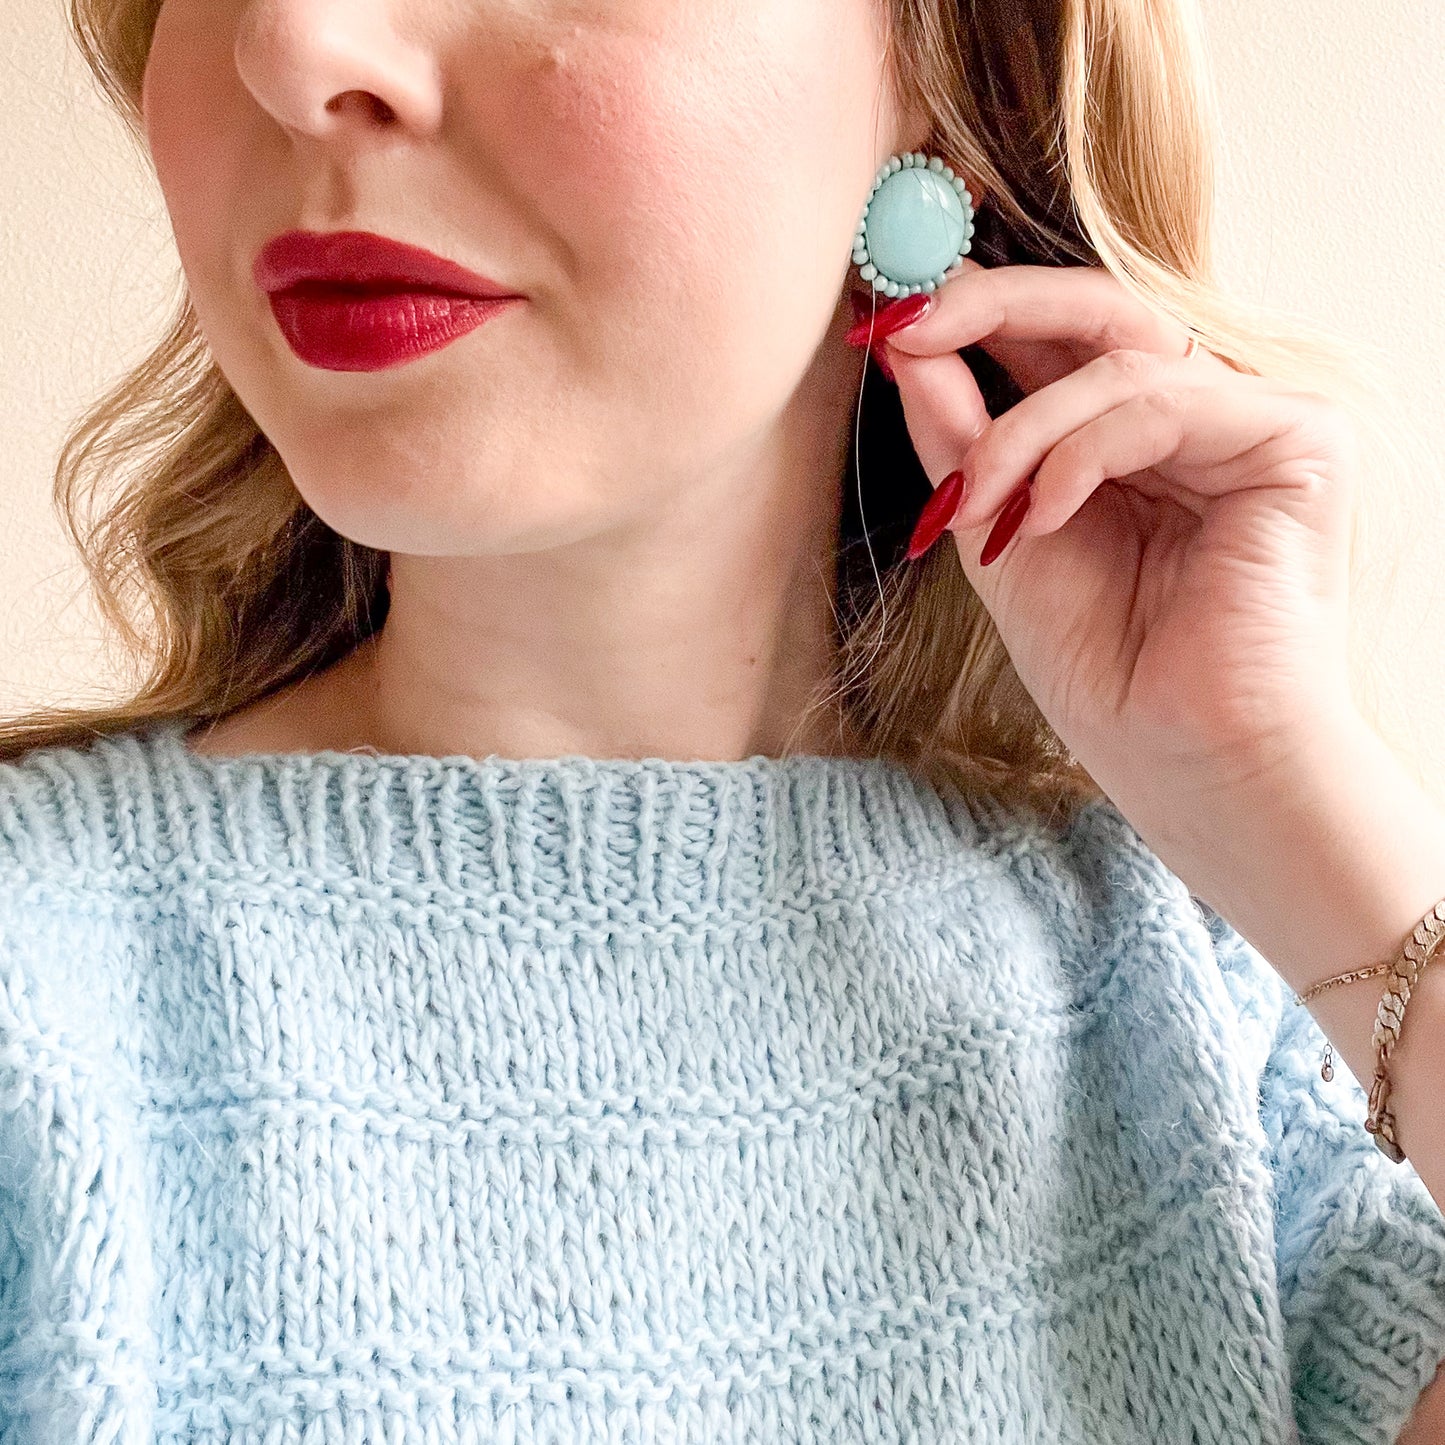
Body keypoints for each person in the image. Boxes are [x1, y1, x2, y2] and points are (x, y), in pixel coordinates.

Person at [3, 0, 1445, 1440]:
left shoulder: (1202, 1021)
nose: (294, 46)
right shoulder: (37, 1003)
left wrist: (1289, 804)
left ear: (942, 71)